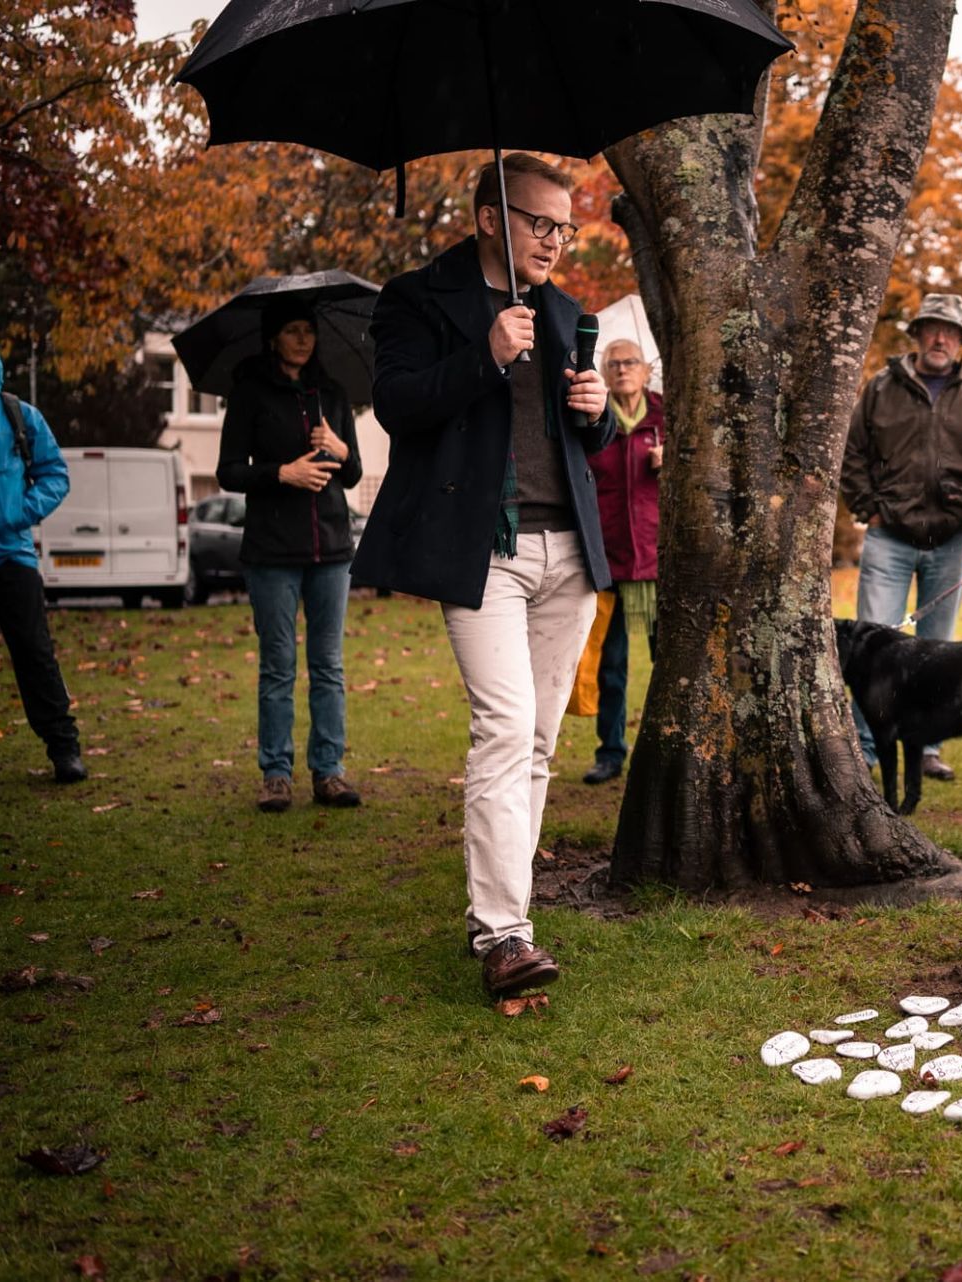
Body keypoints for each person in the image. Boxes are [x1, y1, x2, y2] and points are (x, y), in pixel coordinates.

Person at [351, 154, 614, 998]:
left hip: (568, 551)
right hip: (484, 551)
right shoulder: (416, 300)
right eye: (542, 223)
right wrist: (485, 353)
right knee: (503, 729)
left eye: (566, 228)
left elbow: (589, 440)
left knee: (538, 743)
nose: (557, 241)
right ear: (492, 218)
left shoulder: (565, 310)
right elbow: (396, 405)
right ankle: (501, 933)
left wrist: (599, 414)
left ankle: (513, 908)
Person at [216, 300, 365, 813]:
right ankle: (275, 775)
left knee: (328, 666)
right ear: (273, 338)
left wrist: (342, 450)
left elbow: (354, 474)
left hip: (331, 551)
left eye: (309, 331)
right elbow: (229, 471)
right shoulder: (251, 394)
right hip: (272, 552)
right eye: (292, 331)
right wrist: (282, 473)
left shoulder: (334, 395)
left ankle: (329, 772)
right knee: (278, 666)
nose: (303, 339)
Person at [839, 293, 962, 780]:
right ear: (918, 334)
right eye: (932, 328)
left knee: (939, 651)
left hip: (950, 540)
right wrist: (870, 510)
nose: (940, 338)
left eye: (950, 331)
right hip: (890, 538)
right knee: (873, 647)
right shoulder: (882, 388)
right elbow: (853, 454)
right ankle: (866, 749)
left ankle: (926, 749)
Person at [0, 317, 84, 788]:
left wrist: (18, 512)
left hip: (12, 553)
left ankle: (64, 748)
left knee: (34, 653)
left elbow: (55, 475)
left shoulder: (18, 414)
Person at [580, 338, 662, 785]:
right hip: (608, 561)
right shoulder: (595, 416)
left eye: (630, 362)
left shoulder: (665, 415)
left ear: (647, 370)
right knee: (611, 665)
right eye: (612, 364)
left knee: (664, 663)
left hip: (653, 561)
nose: (621, 369)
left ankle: (663, 751)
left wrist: (675, 462)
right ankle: (610, 752)